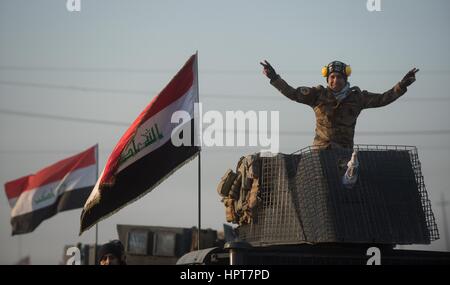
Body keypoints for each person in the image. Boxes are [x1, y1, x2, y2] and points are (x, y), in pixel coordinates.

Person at [260, 60, 419, 150]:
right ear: (327, 79)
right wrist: (274, 77)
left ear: (345, 79)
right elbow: (292, 93)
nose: (336, 80)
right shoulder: (317, 95)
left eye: (339, 77)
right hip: (320, 152)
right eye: (332, 77)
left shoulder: (357, 97)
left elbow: (383, 98)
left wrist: (402, 85)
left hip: (344, 153)